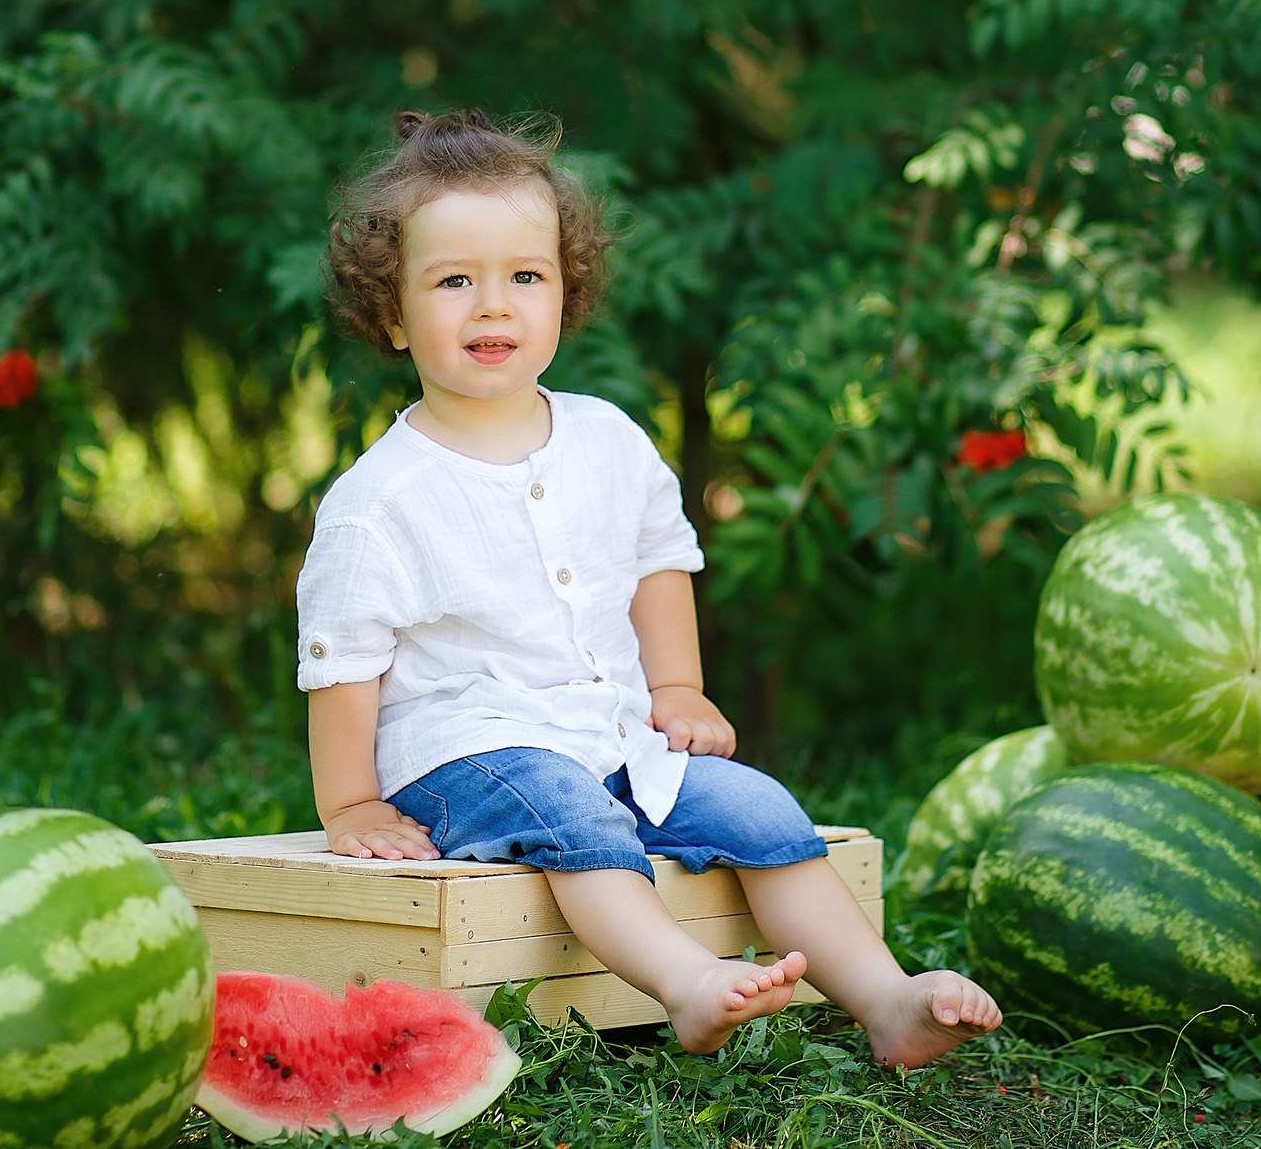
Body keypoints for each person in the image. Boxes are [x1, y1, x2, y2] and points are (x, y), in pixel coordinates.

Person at [297, 108, 1002, 1062]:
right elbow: (343, 658)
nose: (494, 306)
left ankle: (886, 999)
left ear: (566, 292)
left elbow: (658, 561)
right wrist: (352, 804)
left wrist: (676, 687)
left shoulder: (608, 439)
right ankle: (687, 981)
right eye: (454, 280)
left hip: (612, 736)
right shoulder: (380, 499)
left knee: (757, 807)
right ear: (391, 313)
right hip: (471, 753)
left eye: (525, 277)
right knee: (568, 806)